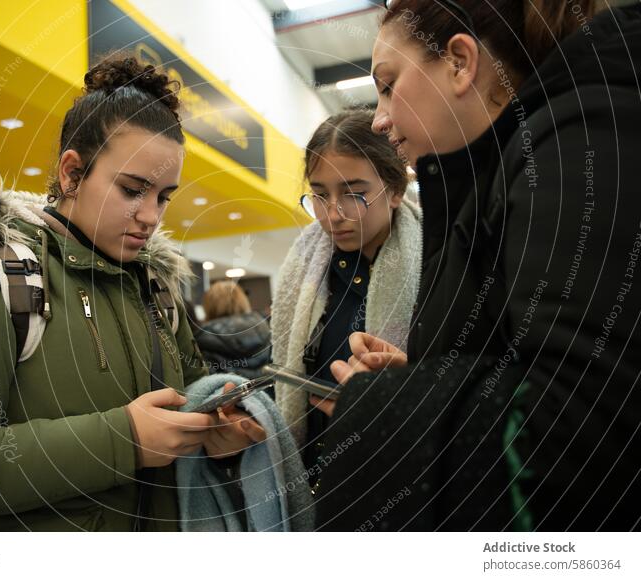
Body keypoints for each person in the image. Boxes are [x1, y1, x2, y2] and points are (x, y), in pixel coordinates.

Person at [0, 54, 263, 531]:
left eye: (164, 196)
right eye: (133, 190)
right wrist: (122, 439)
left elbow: (191, 398)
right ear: (71, 173)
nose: (151, 216)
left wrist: (219, 426)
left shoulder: (156, 292)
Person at [316, 0, 641, 531]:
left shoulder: (575, 140)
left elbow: (586, 429)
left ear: (461, 62)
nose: (379, 119)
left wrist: (390, 410)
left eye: (387, 84)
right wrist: (419, 376)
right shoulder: (499, 179)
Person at [270, 109, 422, 486]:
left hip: (402, 483)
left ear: (397, 189)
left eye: (354, 194)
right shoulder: (306, 271)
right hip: (315, 485)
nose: (333, 214)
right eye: (320, 196)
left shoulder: (437, 268)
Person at [194, 280, 272, 380]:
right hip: (267, 394)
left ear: (208, 305)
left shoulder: (204, 338)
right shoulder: (264, 327)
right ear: (243, 300)